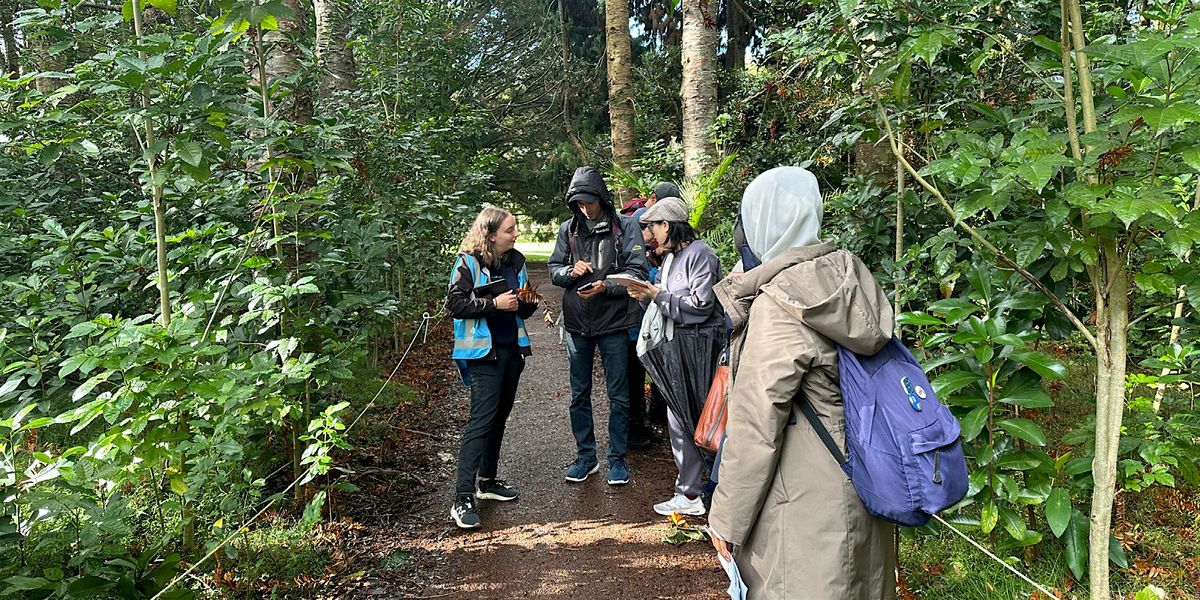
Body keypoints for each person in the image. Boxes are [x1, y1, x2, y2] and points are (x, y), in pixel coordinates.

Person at [707, 167, 897, 599]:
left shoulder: (781, 304)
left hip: (805, 510)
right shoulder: (851, 283)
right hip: (865, 482)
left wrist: (726, 519)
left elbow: (756, 426)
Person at [624, 196, 725, 517]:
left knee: (696, 417)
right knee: (679, 418)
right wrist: (644, 296)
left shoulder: (701, 255)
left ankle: (703, 491)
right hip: (675, 347)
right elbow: (662, 302)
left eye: (653, 227)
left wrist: (658, 296)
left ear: (667, 225)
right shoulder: (669, 258)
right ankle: (691, 491)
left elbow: (702, 306)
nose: (650, 234)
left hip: (700, 348)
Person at [548, 166, 648, 486]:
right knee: (579, 394)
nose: (584, 208)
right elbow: (554, 271)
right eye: (578, 203)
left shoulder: (626, 227)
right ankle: (585, 457)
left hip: (614, 323)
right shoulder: (569, 229)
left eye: (589, 202)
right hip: (578, 323)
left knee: (619, 394)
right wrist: (570, 272)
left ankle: (616, 459)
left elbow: (637, 272)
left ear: (601, 198)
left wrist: (607, 286)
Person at [446, 206, 539, 530]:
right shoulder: (468, 261)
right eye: (510, 230)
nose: (516, 234)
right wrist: (493, 304)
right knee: (481, 420)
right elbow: (455, 304)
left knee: (500, 415)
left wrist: (527, 301)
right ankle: (462, 496)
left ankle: (487, 481)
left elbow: (523, 312)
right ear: (490, 234)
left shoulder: (516, 261)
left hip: (511, 349)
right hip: (482, 354)